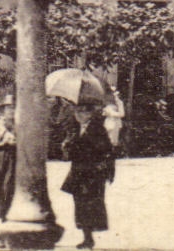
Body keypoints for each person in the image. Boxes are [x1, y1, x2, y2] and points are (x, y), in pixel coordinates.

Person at [61, 104, 115, 249]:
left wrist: (105, 170)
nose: (78, 115)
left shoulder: (97, 129)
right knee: (80, 204)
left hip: (92, 173)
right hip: (79, 172)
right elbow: (72, 153)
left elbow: (105, 149)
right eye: (77, 112)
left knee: (89, 204)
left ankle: (88, 238)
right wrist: (67, 146)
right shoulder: (76, 129)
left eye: (82, 112)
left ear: (90, 114)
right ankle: (87, 237)